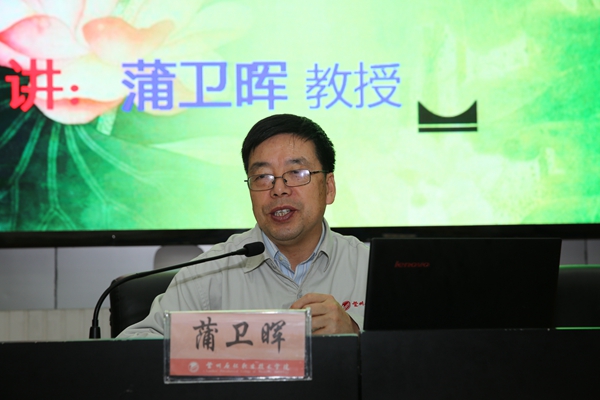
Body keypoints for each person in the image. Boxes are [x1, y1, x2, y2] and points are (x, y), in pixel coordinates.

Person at [118, 114, 369, 338]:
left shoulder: (369, 268)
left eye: (296, 173)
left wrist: (356, 334)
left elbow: (395, 357)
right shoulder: (209, 273)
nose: (278, 189)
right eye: (262, 177)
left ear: (329, 187)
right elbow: (131, 349)